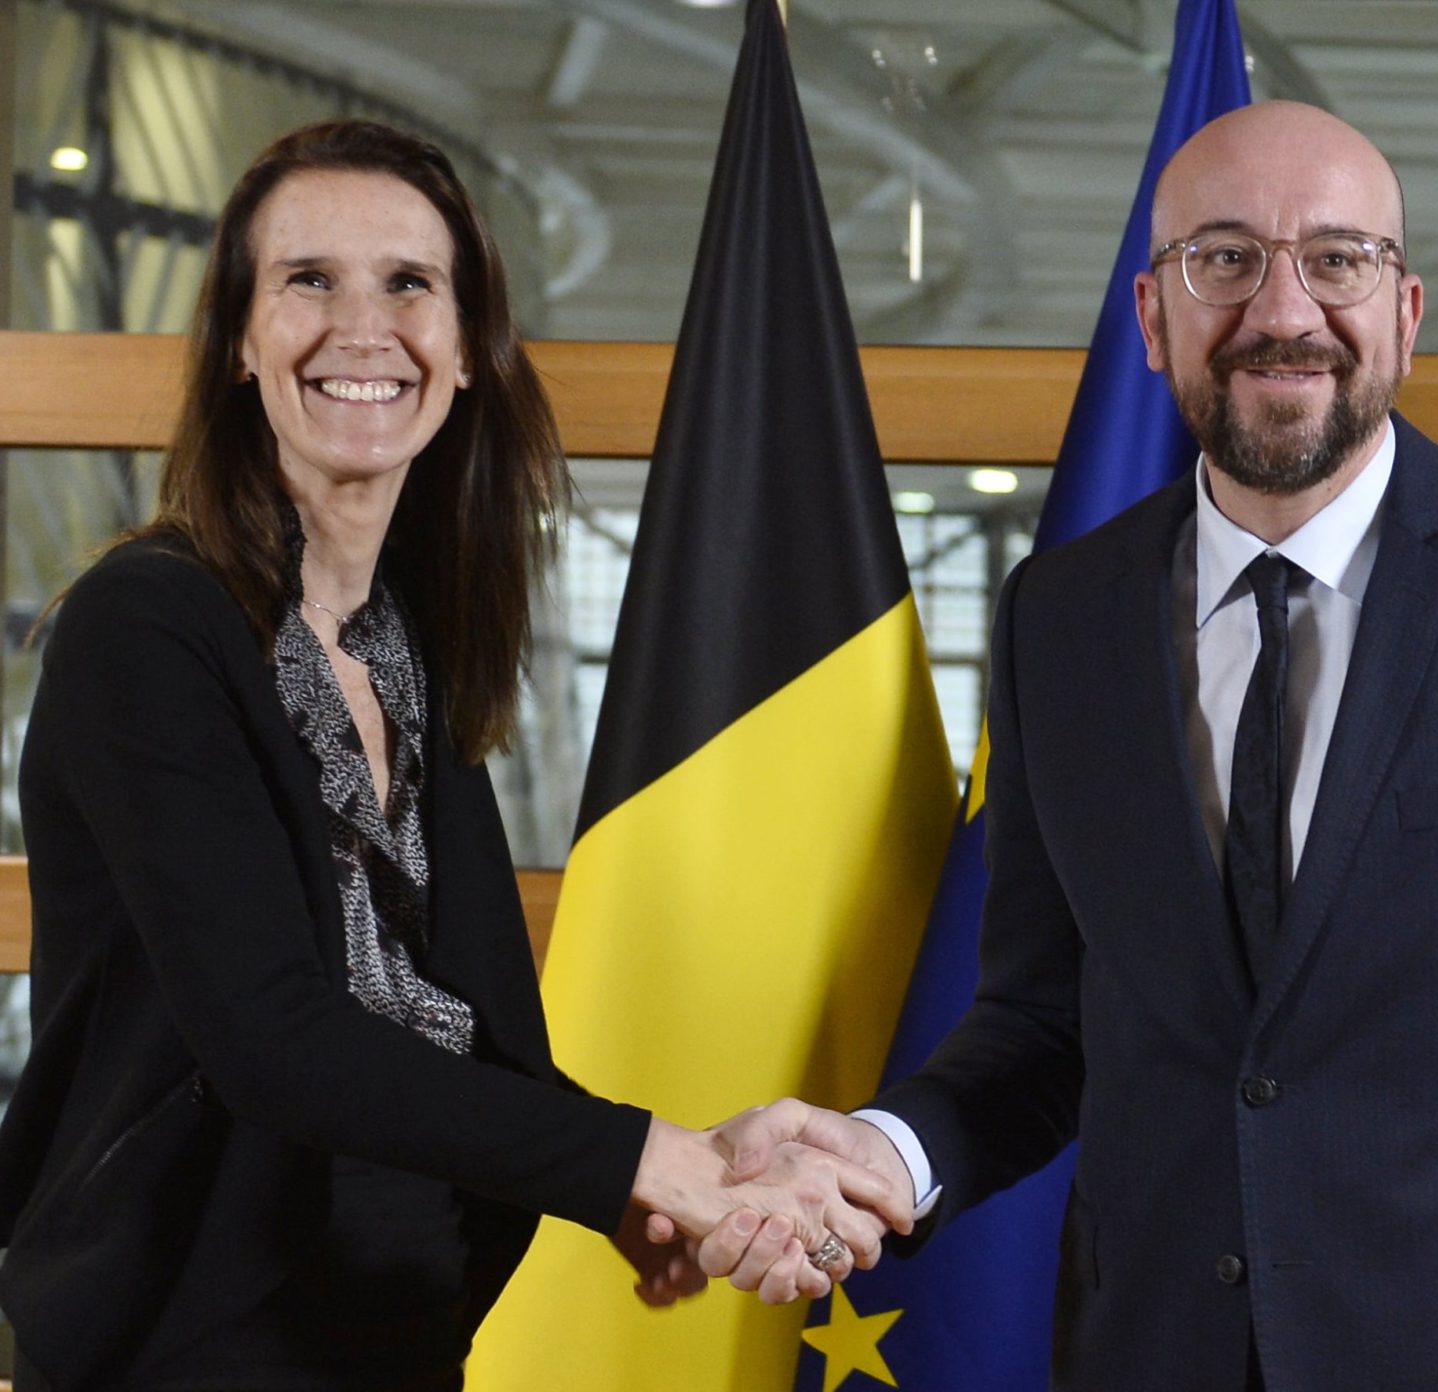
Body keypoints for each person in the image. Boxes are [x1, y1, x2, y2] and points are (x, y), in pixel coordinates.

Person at [705, 101, 1438, 1389]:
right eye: (1223, 259)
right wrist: (891, 1151)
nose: (1282, 310)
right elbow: (1043, 1019)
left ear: (1404, 314)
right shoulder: (1061, 614)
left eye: (1335, 259)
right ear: (1152, 319)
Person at [0, 120, 901, 1392]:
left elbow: (459, 1028)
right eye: (309, 280)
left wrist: (632, 1186)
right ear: (239, 342)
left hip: (404, 1305)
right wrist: (646, 1162)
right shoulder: (145, 627)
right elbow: (271, 1037)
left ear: (468, 348)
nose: (363, 329)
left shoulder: (415, 643)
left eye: (409, 284)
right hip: (189, 1325)